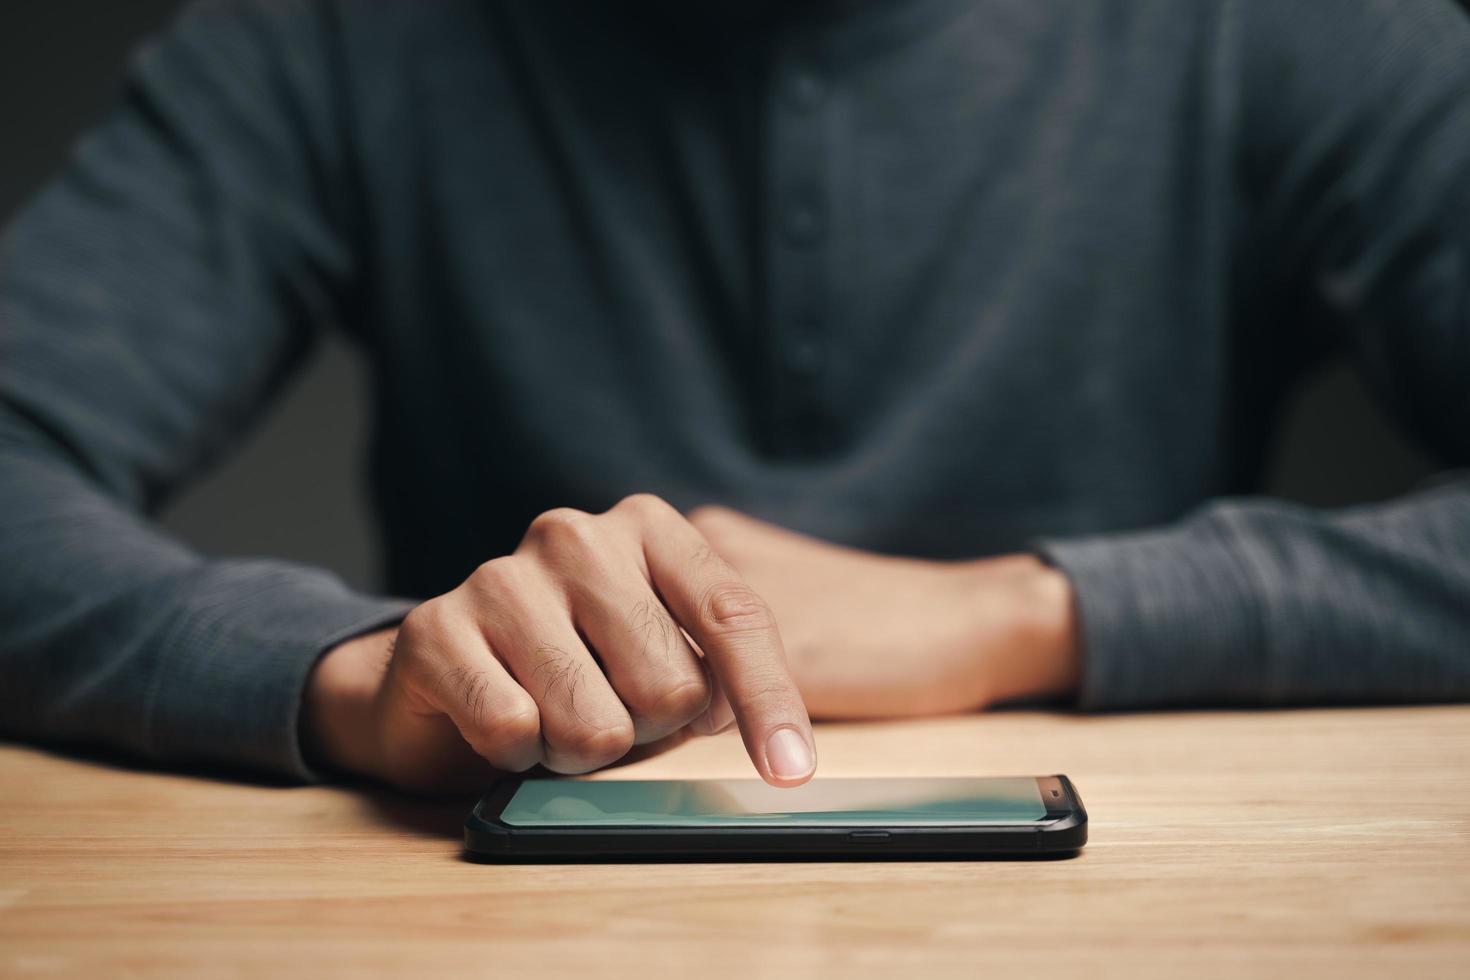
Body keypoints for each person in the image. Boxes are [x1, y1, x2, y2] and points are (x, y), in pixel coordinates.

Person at [2, 0, 1467, 795]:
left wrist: (1015, 614)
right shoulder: (329, 37)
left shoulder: (1292, 30)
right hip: (502, 922)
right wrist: (353, 680)